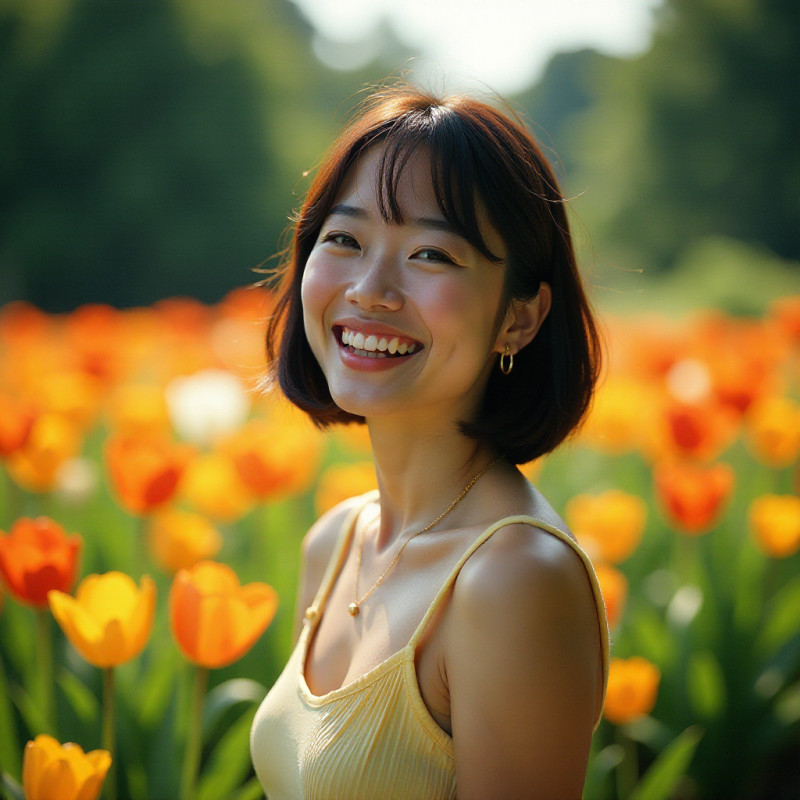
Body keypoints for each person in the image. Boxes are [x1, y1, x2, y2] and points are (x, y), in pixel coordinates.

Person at [250, 83, 609, 800]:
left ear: (520, 317)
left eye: (431, 255)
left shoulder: (513, 580)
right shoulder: (336, 542)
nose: (370, 289)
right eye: (345, 240)